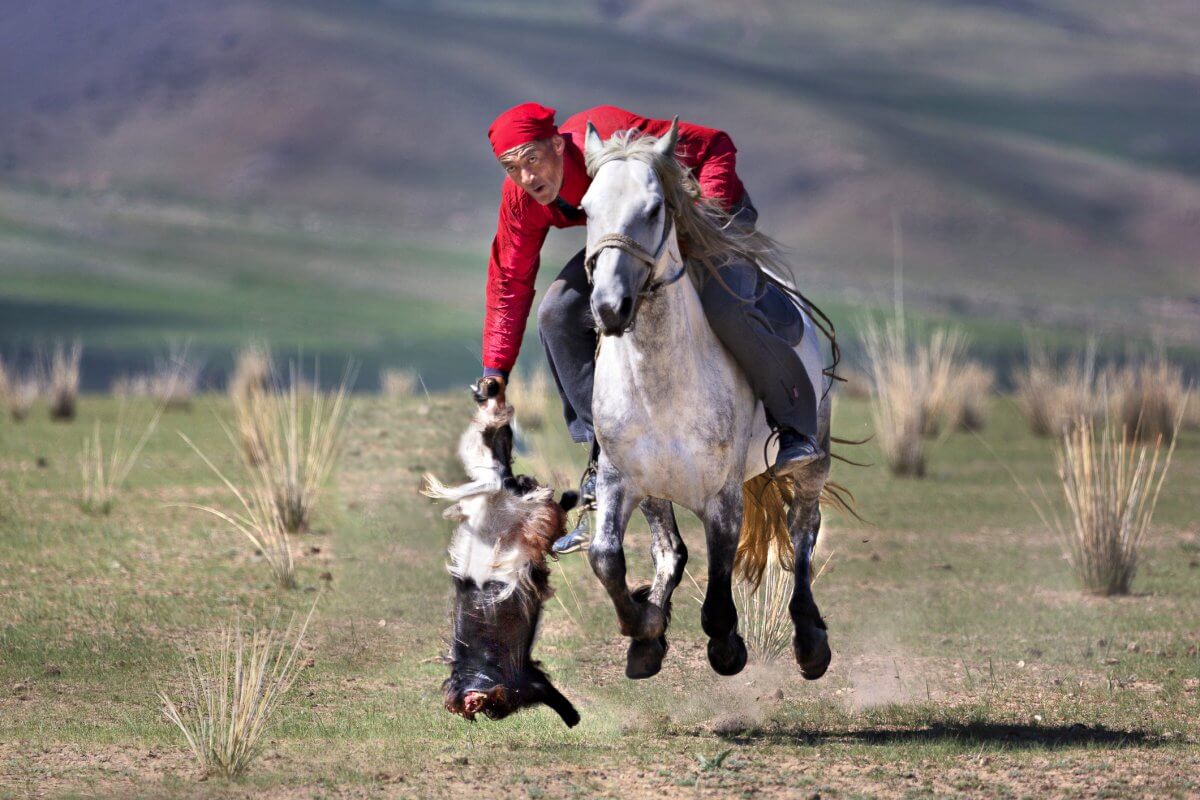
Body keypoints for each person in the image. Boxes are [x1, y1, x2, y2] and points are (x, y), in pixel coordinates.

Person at [479, 103, 821, 553]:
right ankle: (604, 451)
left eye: (532, 159)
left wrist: (703, 222)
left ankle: (795, 426)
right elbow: (509, 278)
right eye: (511, 167)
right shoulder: (522, 197)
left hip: (709, 214)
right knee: (557, 313)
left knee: (725, 308)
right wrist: (495, 371)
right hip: (632, 240)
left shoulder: (613, 136)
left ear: (558, 145)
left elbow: (717, 145)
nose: (526, 176)